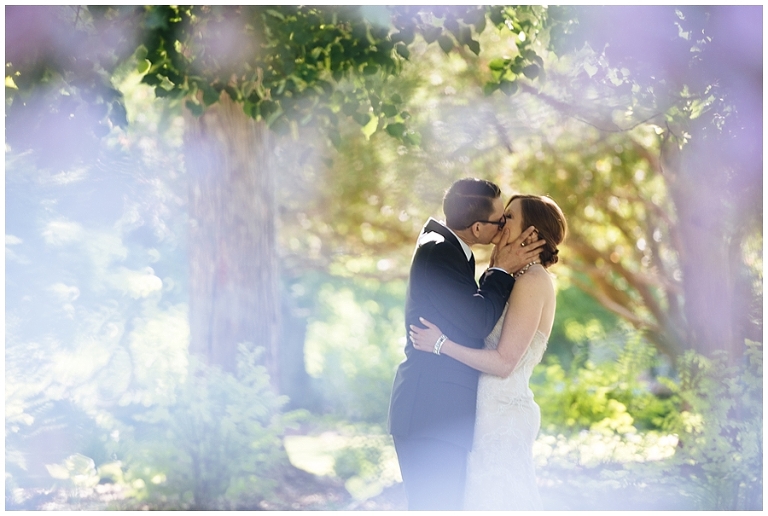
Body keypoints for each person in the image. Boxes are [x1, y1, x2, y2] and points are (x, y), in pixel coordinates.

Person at [388, 179, 545, 510]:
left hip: (445, 415)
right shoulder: (440, 252)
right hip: (432, 414)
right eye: (499, 220)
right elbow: (476, 321)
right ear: (477, 227)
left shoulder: (449, 248)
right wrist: (501, 268)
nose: (503, 227)